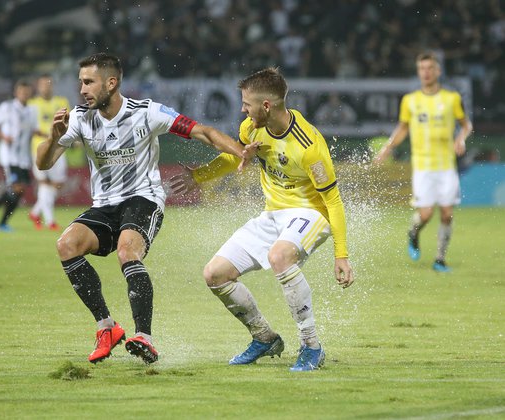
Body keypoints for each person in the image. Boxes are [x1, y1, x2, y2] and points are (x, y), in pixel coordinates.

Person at [37, 53, 247, 364]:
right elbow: (43, 163)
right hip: (105, 205)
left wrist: (241, 152)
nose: (82, 89)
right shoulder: (80, 119)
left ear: (111, 82)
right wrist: (54, 139)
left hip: (143, 199)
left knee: (126, 251)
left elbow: (203, 132)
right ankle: (106, 327)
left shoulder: (147, 112)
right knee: (66, 245)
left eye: (88, 82)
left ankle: (144, 337)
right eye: (80, 82)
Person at [169, 67, 354, 371]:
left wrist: (341, 255)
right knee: (215, 274)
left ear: (266, 105)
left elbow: (333, 200)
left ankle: (311, 346)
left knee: (279, 256)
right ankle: (264, 337)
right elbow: (235, 157)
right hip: (272, 215)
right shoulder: (251, 128)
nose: (242, 109)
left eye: (246, 104)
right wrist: (200, 177)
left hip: (311, 213)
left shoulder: (309, 147)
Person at [374, 52, 472, 272]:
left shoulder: (451, 98)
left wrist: (461, 138)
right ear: (418, 72)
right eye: (422, 69)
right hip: (423, 167)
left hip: (446, 165)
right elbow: (403, 128)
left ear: (438, 71)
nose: (426, 72)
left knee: (447, 213)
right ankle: (414, 232)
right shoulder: (410, 101)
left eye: (430, 68)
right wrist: (387, 148)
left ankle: (440, 259)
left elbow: (466, 124)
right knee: (426, 214)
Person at [0, 79, 40, 232]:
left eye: (27, 92)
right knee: (17, 188)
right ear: (16, 93)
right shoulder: (7, 107)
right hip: (9, 156)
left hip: (24, 158)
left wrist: (48, 135)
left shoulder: (32, 110)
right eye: (22, 92)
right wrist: (4, 137)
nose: (25, 94)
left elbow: (32, 130)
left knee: (19, 191)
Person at [28, 75, 71, 231]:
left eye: (48, 84)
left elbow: (70, 121)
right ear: (38, 86)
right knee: (44, 183)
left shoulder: (62, 102)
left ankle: (35, 212)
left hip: (59, 148)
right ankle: (50, 220)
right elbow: (28, 127)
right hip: (39, 149)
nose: (46, 87)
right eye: (43, 84)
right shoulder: (32, 104)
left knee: (57, 184)